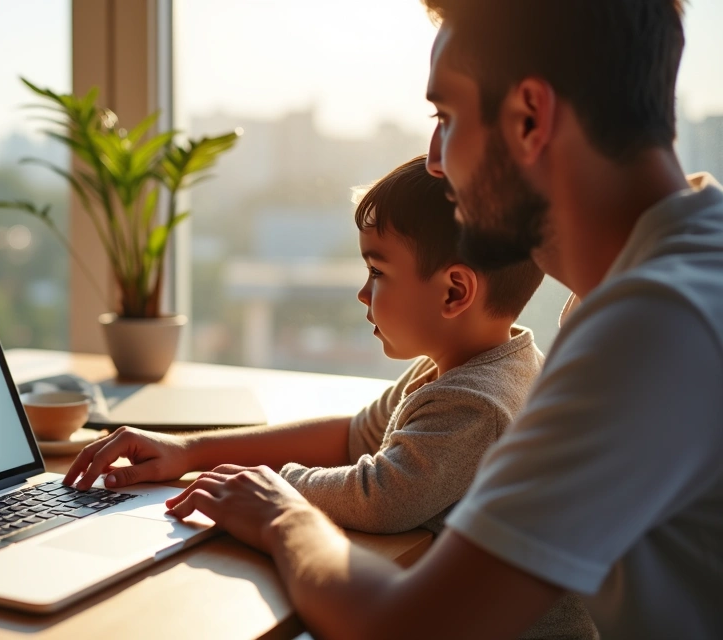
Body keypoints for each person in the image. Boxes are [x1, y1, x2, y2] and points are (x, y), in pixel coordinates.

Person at [144, 1, 723, 638]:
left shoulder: (654, 327)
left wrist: (283, 515)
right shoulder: (660, 287)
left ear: (529, 118)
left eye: (445, 118)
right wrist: (196, 451)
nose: (435, 160)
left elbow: (406, 627)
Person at [65, 156, 594, 638]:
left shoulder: (477, 401)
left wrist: (272, 490)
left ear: (454, 291)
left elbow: (381, 498)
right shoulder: (466, 365)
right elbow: (351, 435)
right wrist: (193, 450)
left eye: (377, 271)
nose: (363, 293)